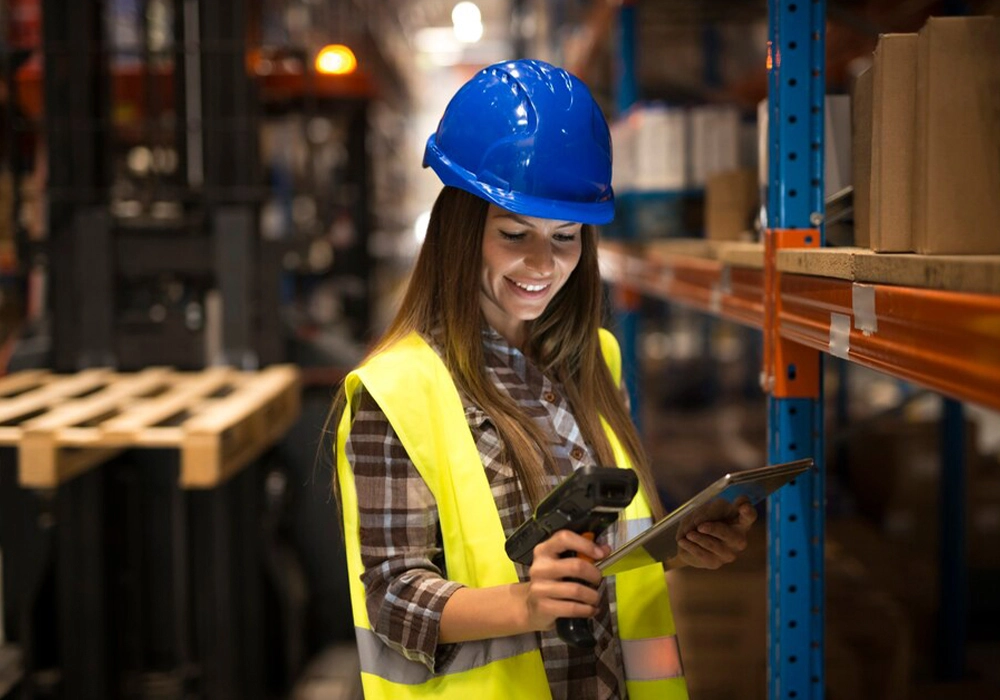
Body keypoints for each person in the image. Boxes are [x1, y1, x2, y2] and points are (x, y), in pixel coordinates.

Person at [329, 59, 757, 700]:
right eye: (513, 234)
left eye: (565, 236)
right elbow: (393, 596)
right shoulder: (398, 391)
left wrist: (674, 544)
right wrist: (526, 604)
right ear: (459, 230)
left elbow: (599, 548)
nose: (543, 264)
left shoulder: (593, 361)